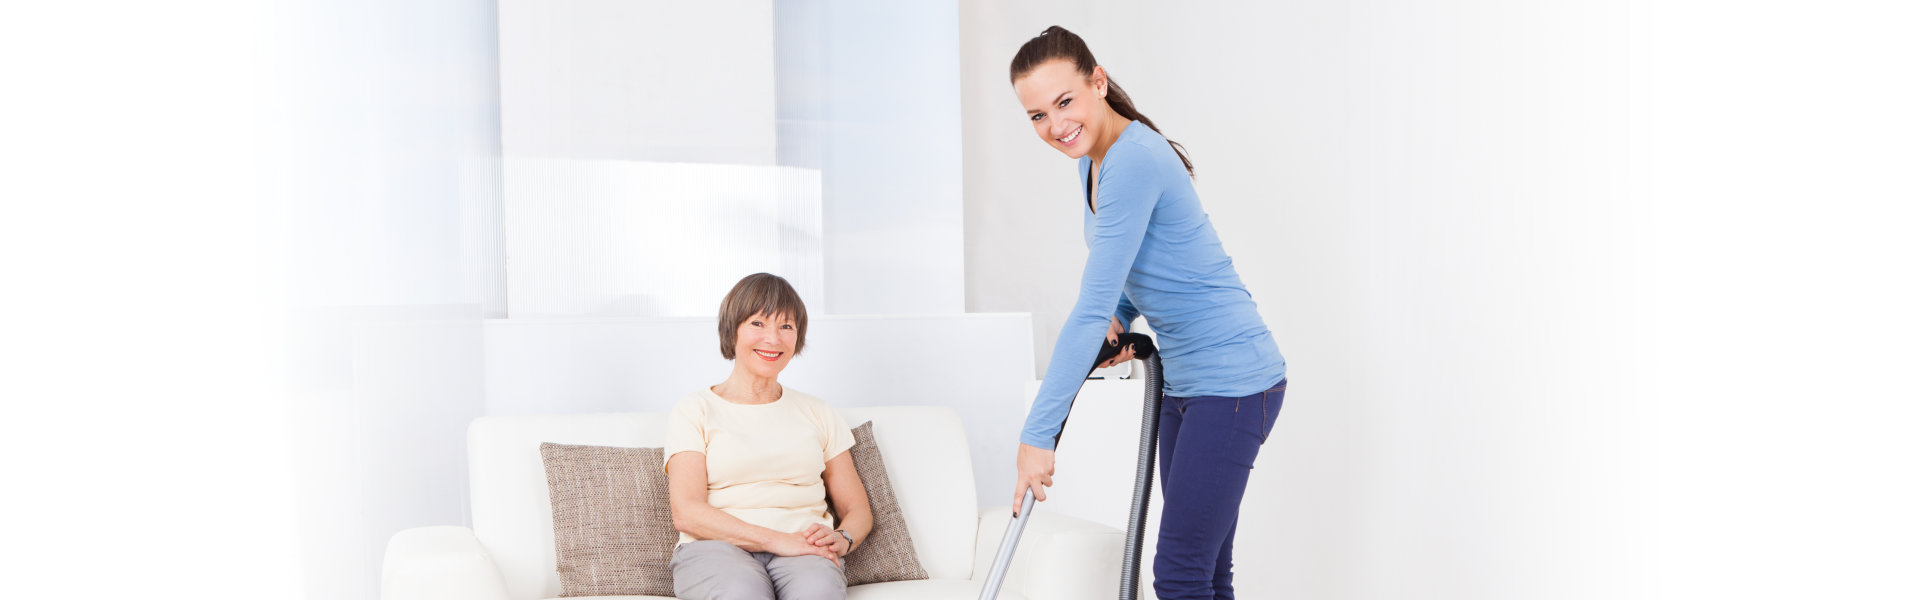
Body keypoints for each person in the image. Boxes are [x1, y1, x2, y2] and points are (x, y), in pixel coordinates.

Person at [1007, 26, 1289, 600]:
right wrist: (1120, 317)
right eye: (1037, 115)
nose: (1056, 126)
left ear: (1098, 81)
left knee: (1180, 573)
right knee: (1206, 574)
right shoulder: (1091, 160)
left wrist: (1039, 435)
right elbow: (1144, 274)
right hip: (1188, 384)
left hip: (1233, 381)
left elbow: (1087, 310)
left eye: (1064, 102)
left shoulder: (1131, 160)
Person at [665, 273, 870, 600]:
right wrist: (777, 539)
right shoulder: (695, 409)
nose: (773, 339)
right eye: (758, 323)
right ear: (732, 329)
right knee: (740, 593)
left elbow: (857, 507)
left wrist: (844, 537)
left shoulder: (818, 411)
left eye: (786, 326)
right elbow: (686, 511)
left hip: (804, 550)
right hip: (714, 549)